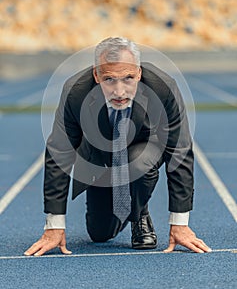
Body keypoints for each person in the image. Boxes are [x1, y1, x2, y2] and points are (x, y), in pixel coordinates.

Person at [24, 37, 211, 256]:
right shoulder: (76, 93)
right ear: (96, 76)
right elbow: (59, 153)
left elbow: (179, 150)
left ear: (139, 73)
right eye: (109, 79)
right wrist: (53, 226)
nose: (119, 91)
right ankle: (121, 204)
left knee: (140, 161)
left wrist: (180, 223)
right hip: (100, 160)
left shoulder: (163, 88)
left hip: (143, 152)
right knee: (100, 234)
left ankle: (139, 213)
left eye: (128, 78)